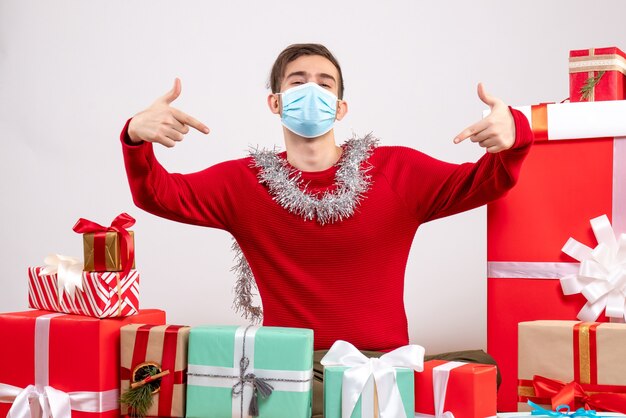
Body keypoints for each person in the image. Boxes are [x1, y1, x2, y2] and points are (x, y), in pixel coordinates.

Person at [121, 43, 533, 416]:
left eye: (325, 83)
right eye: (298, 82)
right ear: (275, 102)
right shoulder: (243, 184)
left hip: (383, 372)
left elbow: (487, 181)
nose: (311, 90)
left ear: (340, 108)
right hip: (290, 378)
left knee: (478, 376)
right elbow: (158, 194)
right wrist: (137, 137)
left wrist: (514, 133)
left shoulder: (396, 171)